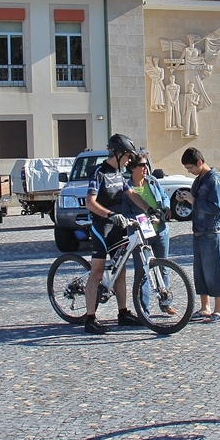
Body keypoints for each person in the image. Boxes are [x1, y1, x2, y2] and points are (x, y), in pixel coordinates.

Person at [83, 134, 151, 334]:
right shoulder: (99, 173)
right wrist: (110, 214)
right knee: (97, 271)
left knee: (120, 270)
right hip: (101, 226)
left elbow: (131, 194)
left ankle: (123, 313)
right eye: (128, 157)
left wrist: (150, 209)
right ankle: (89, 318)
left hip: (117, 227)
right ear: (118, 154)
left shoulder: (118, 174)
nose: (130, 161)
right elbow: (90, 202)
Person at [122, 151, 175, 316]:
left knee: (163, 268)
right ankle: (143, 310)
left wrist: (166, 207)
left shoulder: (152, 181)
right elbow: (126, 213)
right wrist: (145, 220)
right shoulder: (127, 188)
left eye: (146, 164)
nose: (146, 168)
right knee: (143, 272)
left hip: (161, 231)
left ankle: (165, 303)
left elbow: (164, 197)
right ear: (132, 168)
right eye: (142, 165)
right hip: (141, 235)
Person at [180, 147, 220, 322]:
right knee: (200, 271)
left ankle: (219, 308)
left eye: (191, 167)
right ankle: (205, 307)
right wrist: (185, 199)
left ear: (200, 162)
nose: (190, 171)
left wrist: (194, 200)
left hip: (212, 232)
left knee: (214, 269)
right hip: (199, 230)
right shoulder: (199, 179)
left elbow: (216, 207)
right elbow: (196, 203)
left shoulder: (214, 180)